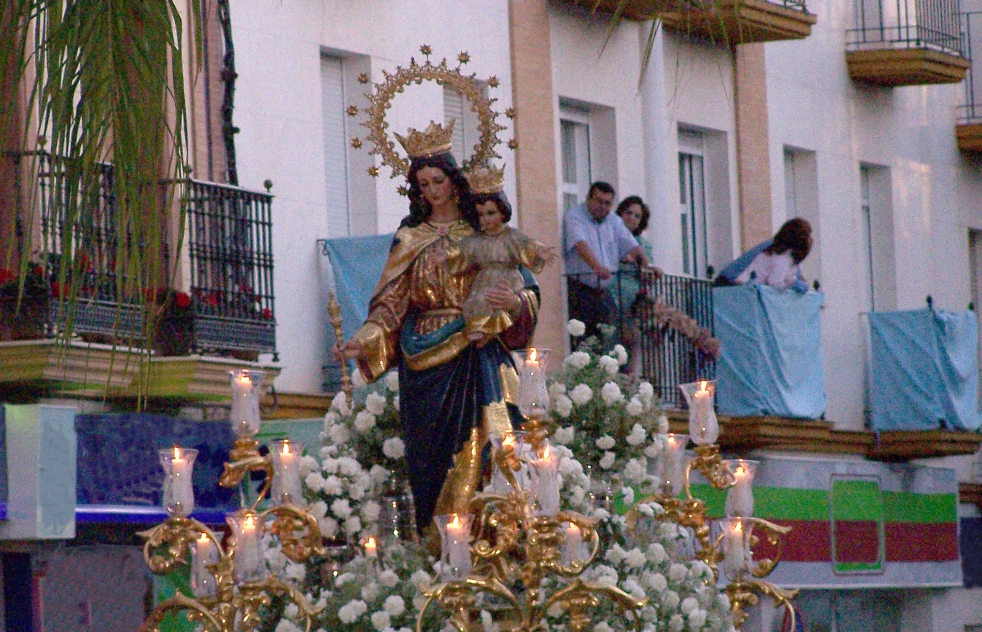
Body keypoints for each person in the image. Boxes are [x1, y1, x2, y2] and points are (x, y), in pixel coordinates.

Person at [335, 125, 539, 535]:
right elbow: (392, 302)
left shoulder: (481, 231)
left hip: (475, 352)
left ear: (453, 180)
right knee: (428, 463)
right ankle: (433, 543)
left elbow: (522, 284)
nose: (431, 190)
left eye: (437, 181)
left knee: (482, 449)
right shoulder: (410, 238)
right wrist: (367, 338)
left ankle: (482, 540)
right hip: (423, 366)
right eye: (422, 184)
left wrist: (515, 303)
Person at [448, 166, 556, 343]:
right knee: (476, 302)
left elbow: (526, 245)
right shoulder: (476, 239)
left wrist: (538, 251)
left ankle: (491, 328)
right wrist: (446, 255)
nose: (486, 219)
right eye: (481, 215)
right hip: (484, 281)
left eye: (491, 213)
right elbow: (462, 251)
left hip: (506, 279)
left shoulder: (511, 236)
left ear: (502, 211)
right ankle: (479, 328)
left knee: (495, 301)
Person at [563, 182, 652, 341]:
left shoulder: (614, 221)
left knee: (606, 339)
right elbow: (580, 245)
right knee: (581, 342)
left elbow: (631, 245)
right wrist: (598, 267)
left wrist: (648, 266)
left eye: (607, 203)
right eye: (599, 201)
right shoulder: (575, 216)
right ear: (588, 199)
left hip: (603, 291)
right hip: (579, 290)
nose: (603, 206)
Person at [609, 196, 655, 374]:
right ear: (620, 213)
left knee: (632, 347)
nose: (632, 218)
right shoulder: (611, 237)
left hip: (633, 302)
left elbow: (647, 271)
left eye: (637, 216)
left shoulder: (643, 245)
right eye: (628, 213)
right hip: (613, 295)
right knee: (611, 344)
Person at [714, 218, 813, 293]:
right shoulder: (782, 256)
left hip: (733, 286)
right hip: (735, 287)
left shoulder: (774, 248)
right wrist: (792, 285)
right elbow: (776, 282)